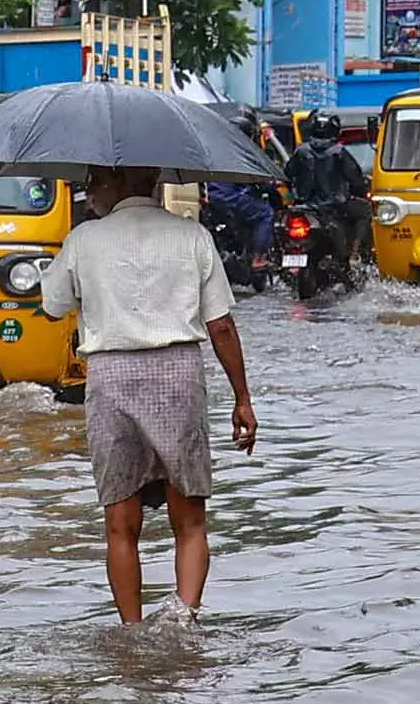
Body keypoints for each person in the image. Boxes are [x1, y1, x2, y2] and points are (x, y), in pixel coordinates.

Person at [40, 166, 257, 625]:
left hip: (112, 379)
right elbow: (220, 324)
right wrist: (242, 398)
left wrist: (74, 250)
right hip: (178, 374)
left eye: (95, 181)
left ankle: (132, 632)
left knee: (121, 524)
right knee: (190, 519)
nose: (90, 191)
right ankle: (185, 619)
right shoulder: (192, 236)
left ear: (116, 184)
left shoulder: (84, 239)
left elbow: (52, 304)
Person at [286, 114, 369, 262]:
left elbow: (287, 174)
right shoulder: (339, 152)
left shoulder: (301, 151)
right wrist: (361, 190)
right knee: (366, 210)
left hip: (306, 205)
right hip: (335, 205)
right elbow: (356, 179)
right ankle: (355, 253)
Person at [206, 115, 275, 270]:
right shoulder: (242, 152)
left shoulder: (215, 148)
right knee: (266, 213)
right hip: (233, 198)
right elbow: (256, 178)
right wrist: (269, 185)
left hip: (213, 198)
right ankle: (259, 258)